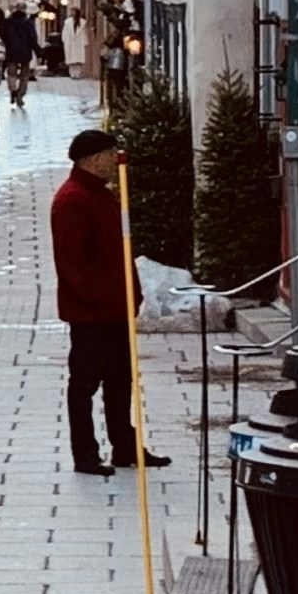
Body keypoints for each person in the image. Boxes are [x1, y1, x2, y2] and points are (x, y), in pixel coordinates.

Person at [51, 126, 175, 476]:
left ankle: (125, 446)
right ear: (93, 160)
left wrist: (130, 294)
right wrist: (100, 297)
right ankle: (86, 454)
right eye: (110, 154)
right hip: (92, 313)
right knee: (86, 383)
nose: (115, 160)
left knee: (121, 380)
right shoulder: (73, 199)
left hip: (116, 309)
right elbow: (71, 263)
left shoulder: (103, 194)